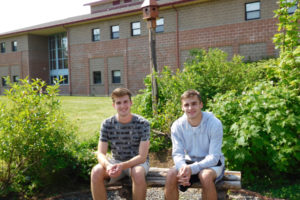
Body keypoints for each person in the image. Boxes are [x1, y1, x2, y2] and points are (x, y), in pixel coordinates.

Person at [164, 89, 225, 200]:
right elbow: (177, 153)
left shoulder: (214, 123)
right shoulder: (177, 126)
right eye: (186, 105)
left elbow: (214, 157)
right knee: (171, 175)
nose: (190, 108)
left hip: (213, 164)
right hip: (190, 162)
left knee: (205, 176)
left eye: (194, 104)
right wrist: (183, 168)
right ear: (182, 107)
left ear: (201, 105)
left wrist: (192, 169)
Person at [91, 88, 150, 200]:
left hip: (137, 163)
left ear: (131, 103)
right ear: (114, 105)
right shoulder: (107, 124)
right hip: (116, 161)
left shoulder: (143, 123)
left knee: (137, 173)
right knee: (96, 171)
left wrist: (122, 166)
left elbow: (142, 157)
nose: (123, 106)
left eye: (125, 102)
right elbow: (100, 153)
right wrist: (108, 165)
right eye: (119, 103)